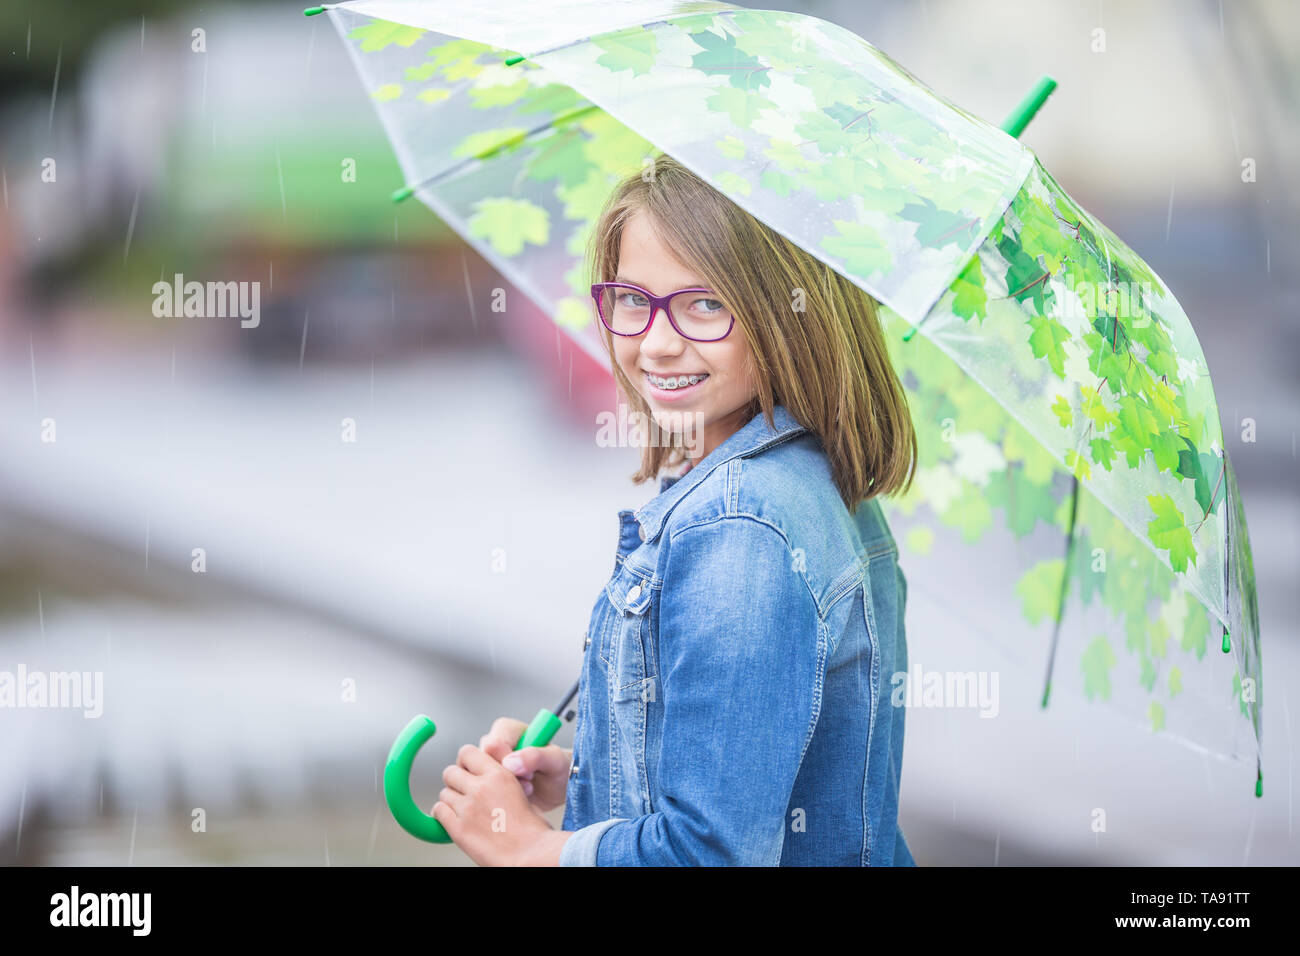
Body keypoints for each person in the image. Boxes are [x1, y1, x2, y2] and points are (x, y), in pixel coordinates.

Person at [432, 152, 918, 866]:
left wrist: (530, 850)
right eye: (633, 299)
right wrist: (589, 777)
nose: (657, 343)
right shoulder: (805, 479)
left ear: (786, 319)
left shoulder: (742, 526)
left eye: (706, 304)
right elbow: (772, 773)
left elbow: (710, 854)